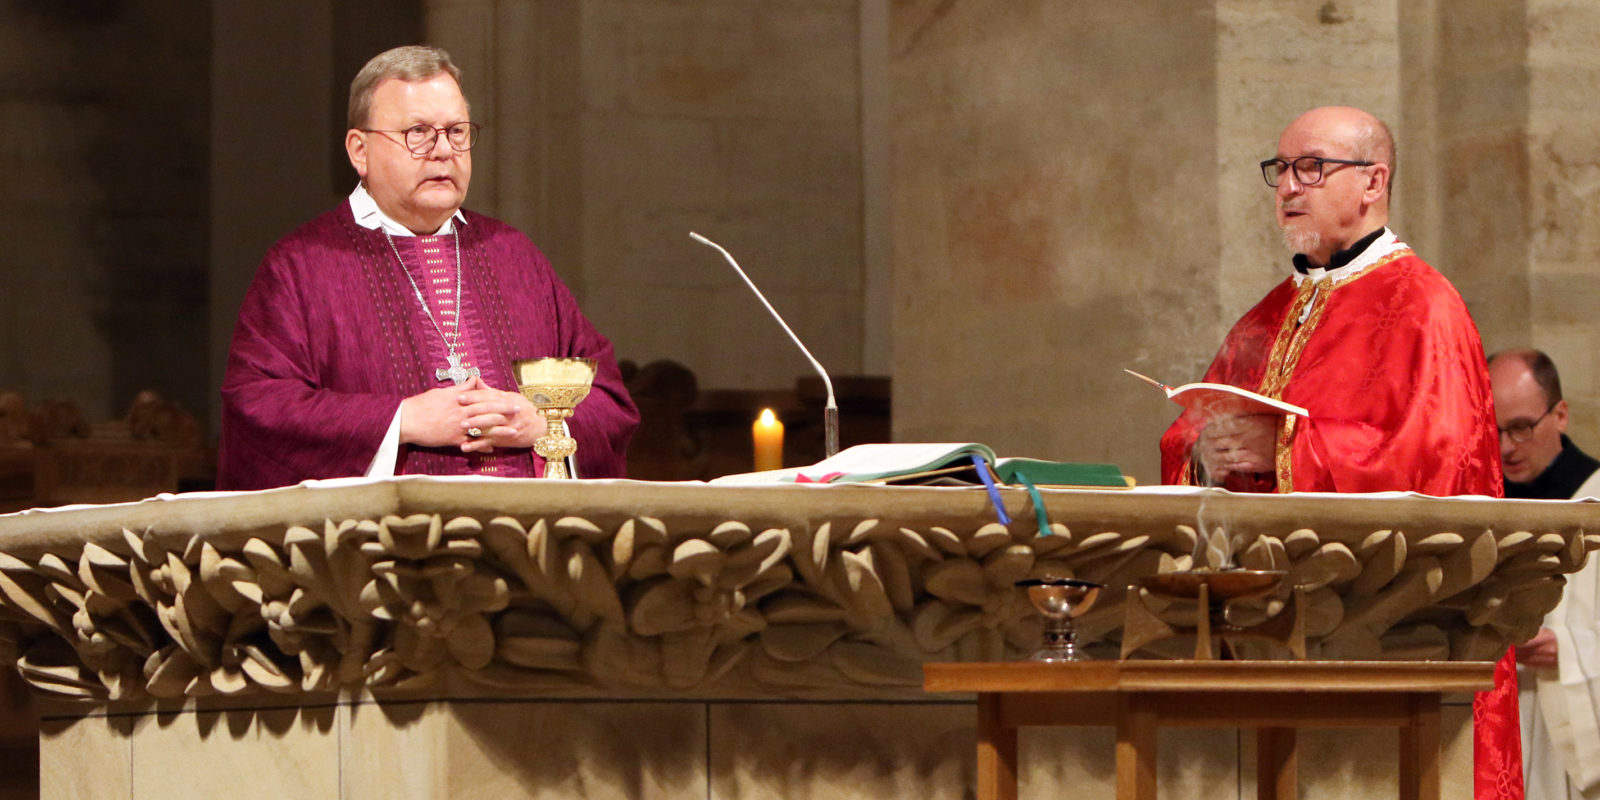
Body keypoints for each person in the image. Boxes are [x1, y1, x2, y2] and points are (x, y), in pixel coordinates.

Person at [1158, 106, 1519, 797]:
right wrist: (1208, 451)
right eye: (1281, 170)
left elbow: (1435, 461)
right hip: (1268, 622)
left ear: (1373, 181)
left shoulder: (1424, 305)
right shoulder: (1265, 315)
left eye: (1312, 167)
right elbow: (1190, 437)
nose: (1289, 187)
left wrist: (1285, 445)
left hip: (1385, 630)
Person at [219, 46, 636, 489]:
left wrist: (542, 423)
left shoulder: (514, 255)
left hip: (529, 537)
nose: (443, 151)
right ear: (359, 150)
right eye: (418, 132)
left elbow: (609, 399)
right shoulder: (302, 265)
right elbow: (257, 407)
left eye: (457, 132)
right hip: (383, 546)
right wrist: (402, 420)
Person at [1490, 349, 1600, 800]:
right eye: (1491, 430)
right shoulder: (1480, 506)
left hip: (1571, 725)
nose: (1504, 447)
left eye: (1520, 428)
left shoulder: (1595, 500)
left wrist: (1571, 650)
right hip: (1501, 723)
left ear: (1560, 415)